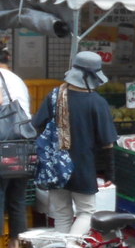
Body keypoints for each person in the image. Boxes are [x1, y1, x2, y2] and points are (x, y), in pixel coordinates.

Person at [31, 51, 117, 236]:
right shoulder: (97, 102)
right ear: (93, 76)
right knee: (86, 212)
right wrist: (110, 172)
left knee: (62, 214)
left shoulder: (55, 96)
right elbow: (107, 143)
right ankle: (70, 247)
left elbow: (37, 125)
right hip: (82, 167)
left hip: (55, 166)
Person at [0, 49, 31, 248]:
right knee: (17, 196)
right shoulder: (18, 80)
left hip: (3, 144)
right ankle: (14, 246)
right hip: (22, 145)